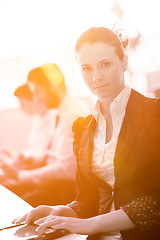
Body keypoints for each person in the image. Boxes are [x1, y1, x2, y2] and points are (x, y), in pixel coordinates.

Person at [14, 27, 160, 240]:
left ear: (124, 62)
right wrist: (61, 211)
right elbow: (88, 201)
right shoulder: (83, 128)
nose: (96, 77)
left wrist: (92, 224)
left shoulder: (154, 114)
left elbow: (156, 202)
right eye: (86, 68)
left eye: (105, 65)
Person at [1, 63, 88, 207]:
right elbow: (54, 153)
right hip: (55, 185)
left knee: (10, 198)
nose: (37, 98)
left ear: (52, 87)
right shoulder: (60, 112)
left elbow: (68, 169)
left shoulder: (73, 115)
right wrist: (32, 160)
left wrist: (22, 175)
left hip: (66, 190)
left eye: (38, 92)